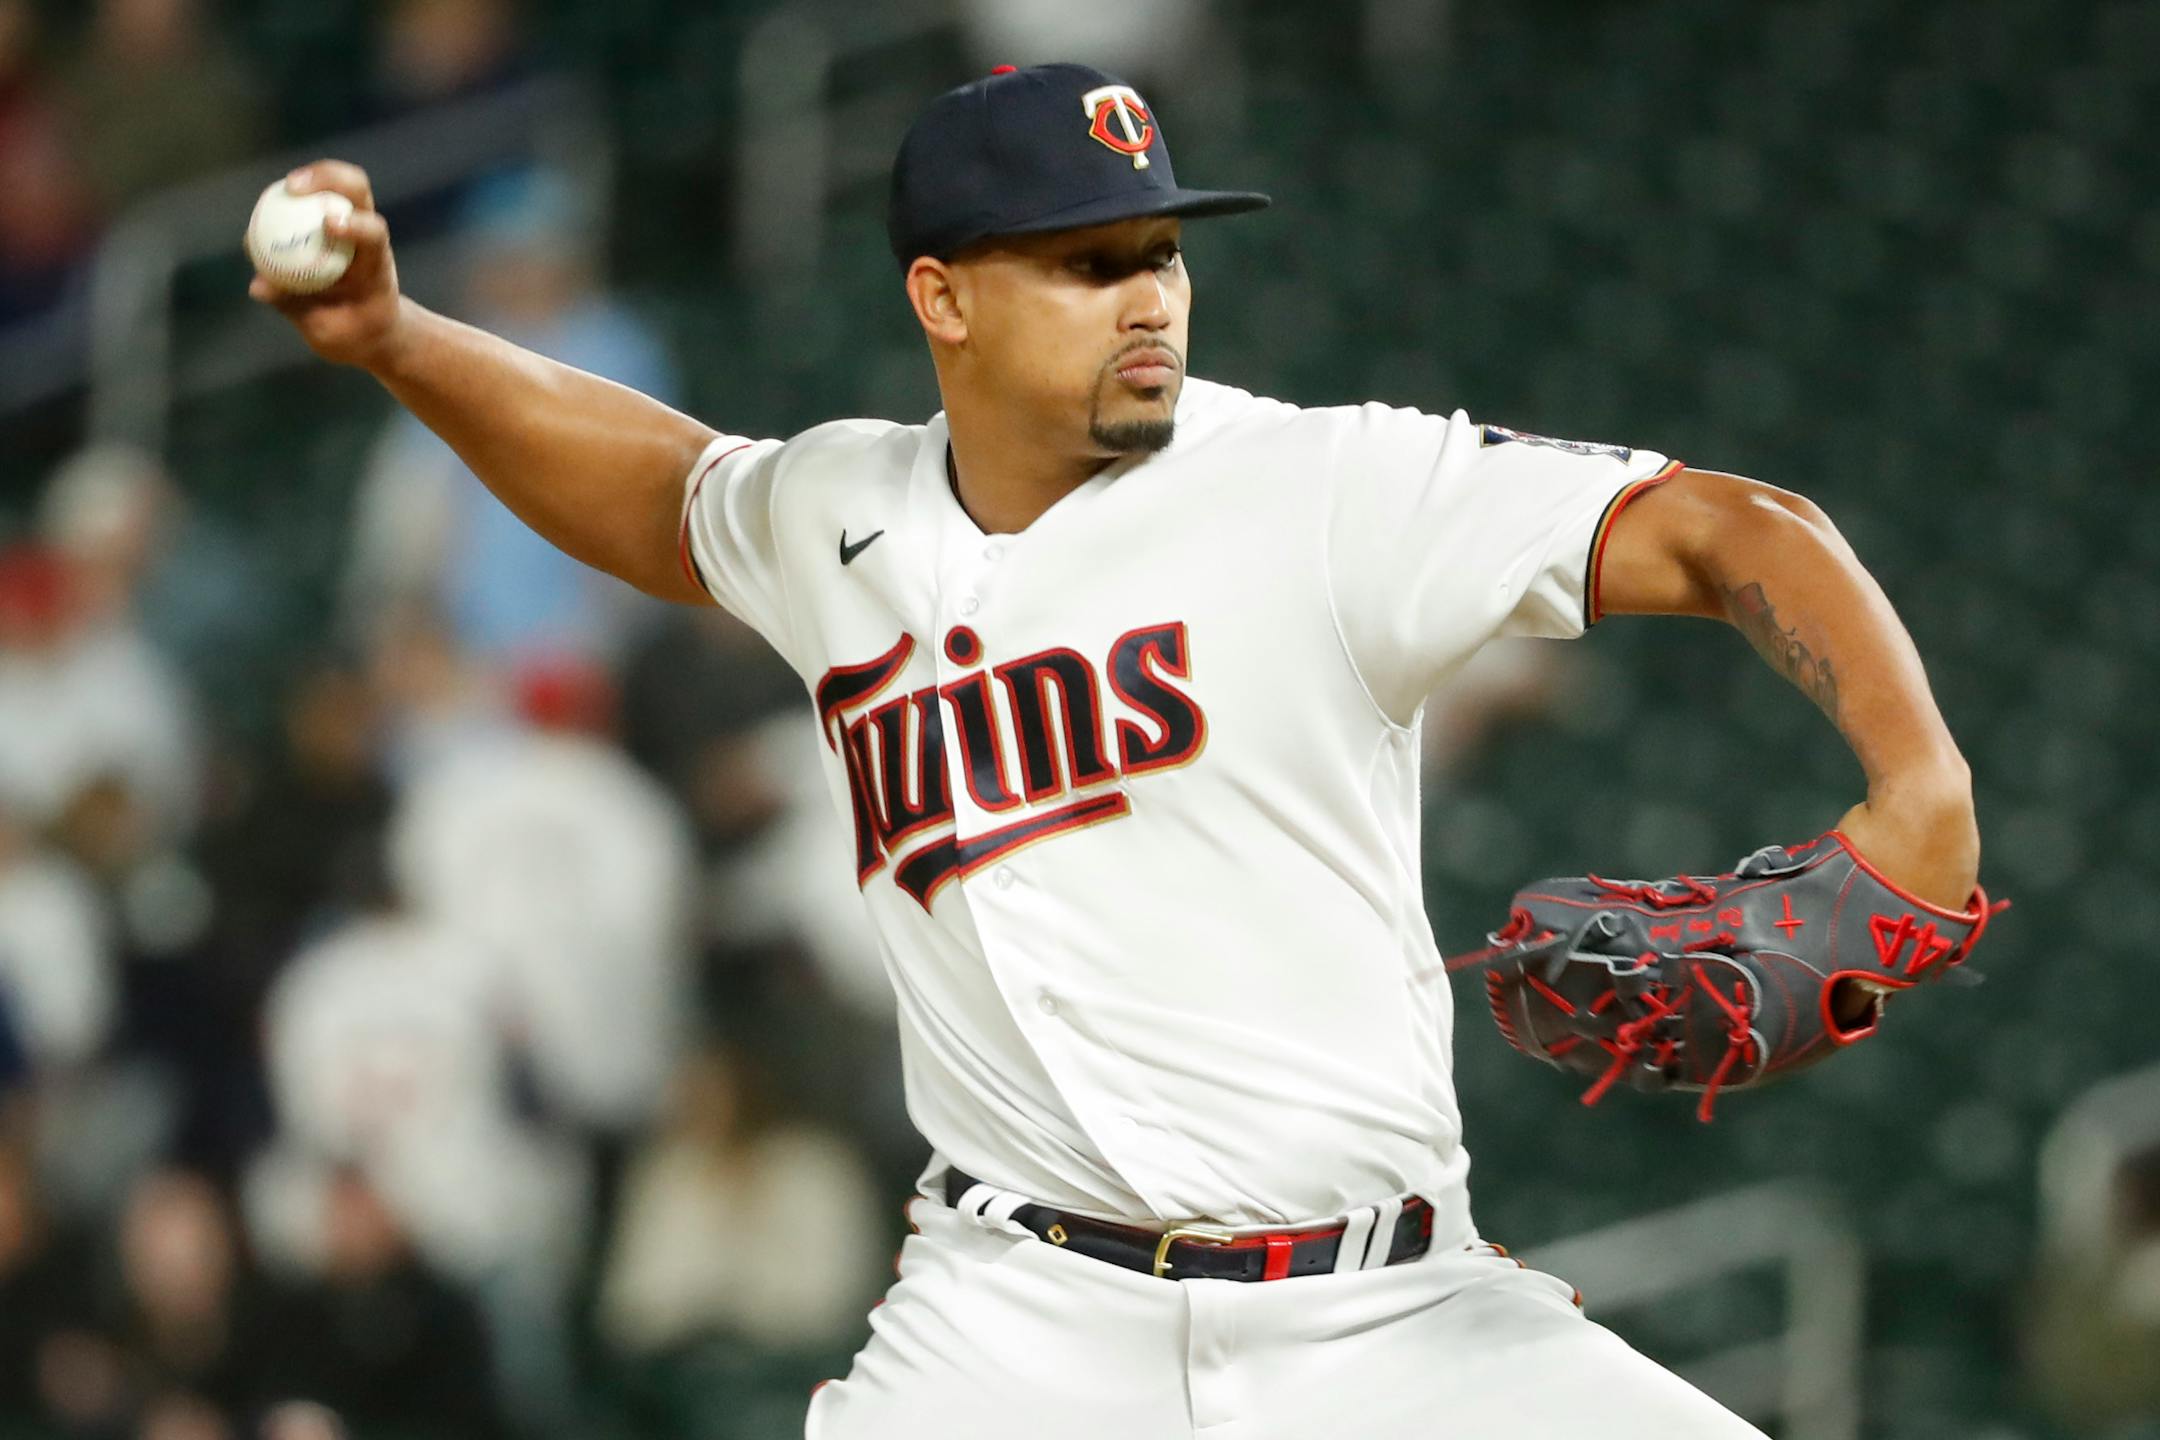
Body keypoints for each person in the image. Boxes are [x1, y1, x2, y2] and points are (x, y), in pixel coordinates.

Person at [254, 61, 1983, 1440]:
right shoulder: (839, 512)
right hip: (1018, 1325)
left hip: (1386, 1319)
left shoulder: (1321, 488)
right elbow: (656, 492)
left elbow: (1726, 531)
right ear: (942, 296)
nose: (1150, 295)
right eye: (1088, 265)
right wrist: (402, 340)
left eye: (1161, 250)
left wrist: (1922, 789)